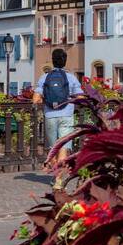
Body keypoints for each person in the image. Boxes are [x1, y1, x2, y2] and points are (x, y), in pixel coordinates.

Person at [33, 49, 83, 184]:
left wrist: (47, 100)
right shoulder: (71, 78)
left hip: (49, 115)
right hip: (66, 115)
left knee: (53, 147)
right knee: (63, 146)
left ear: (52, 60)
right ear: (65, 61)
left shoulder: (44, 77)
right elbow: (80, 97)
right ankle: (59, 179)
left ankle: (55, 172)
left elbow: (35, 99)